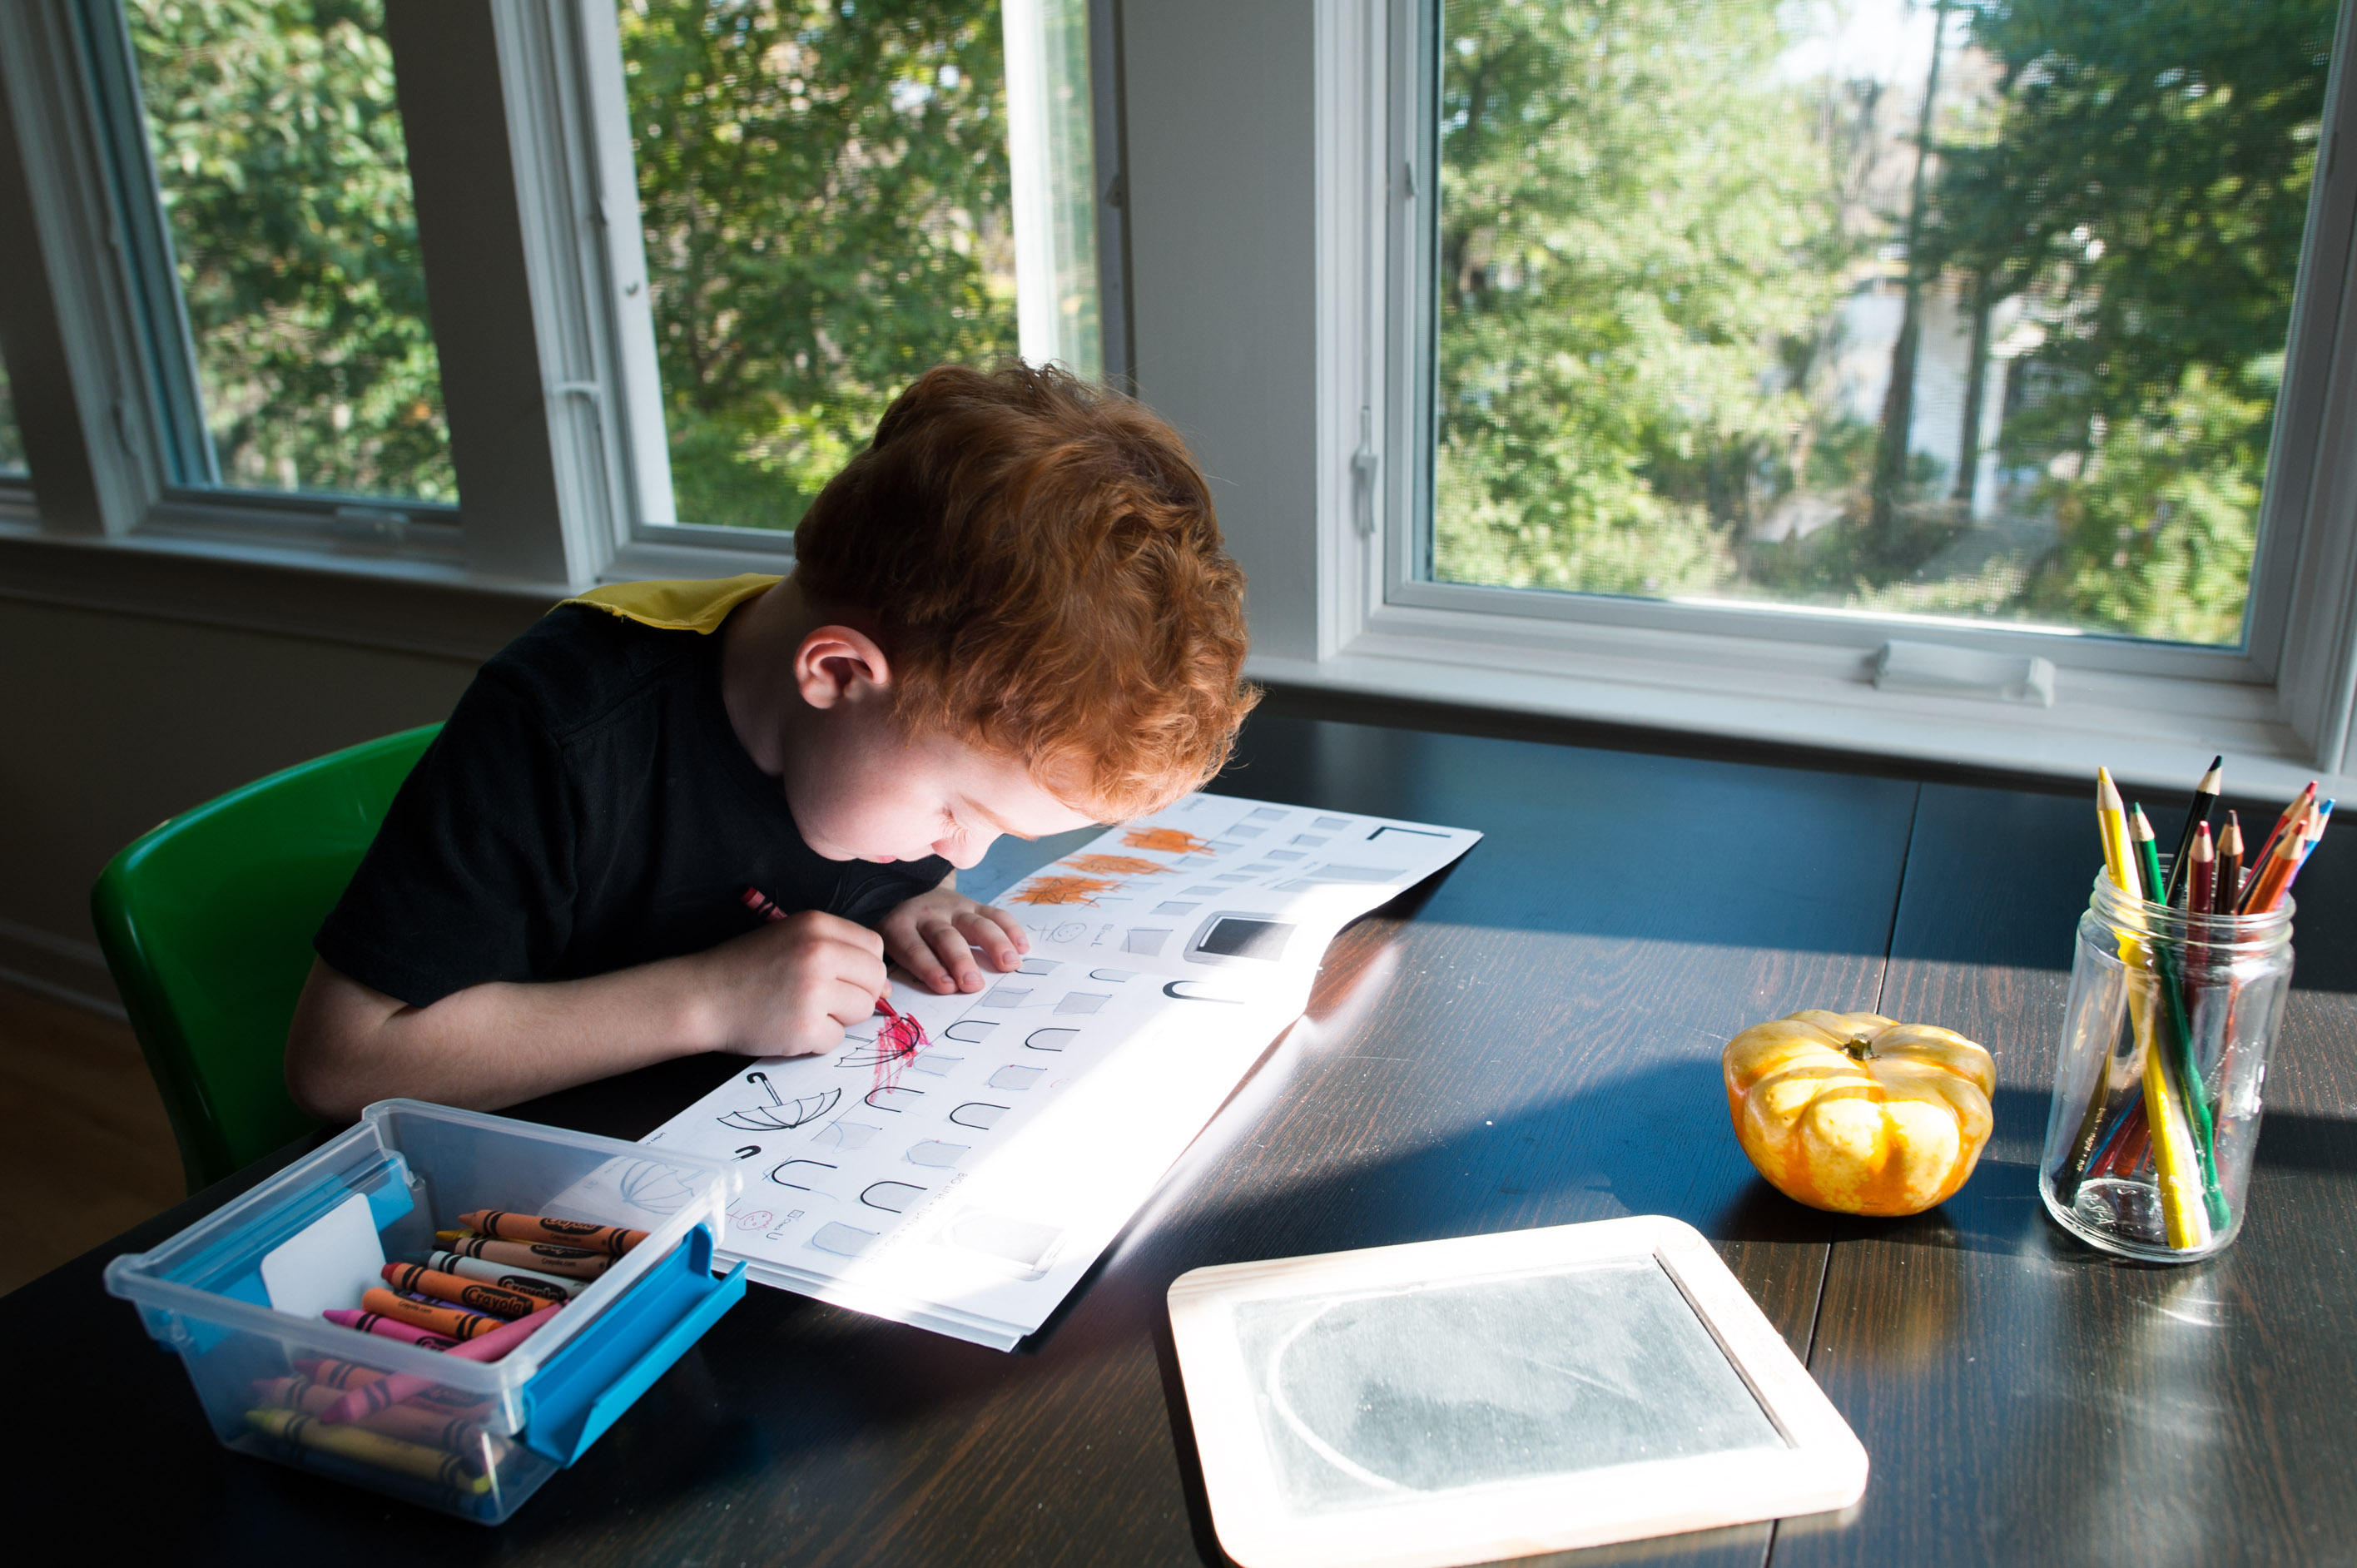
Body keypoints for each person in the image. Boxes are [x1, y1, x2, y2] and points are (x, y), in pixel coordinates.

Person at [285, 363, 1254, 1119]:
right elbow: (341, 1063)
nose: (962, 853)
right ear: (834, 674)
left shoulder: (868, 743)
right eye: (961, 813)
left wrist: (903, 902)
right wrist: (707, 1001)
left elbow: (845, 836)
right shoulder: (565, 725)